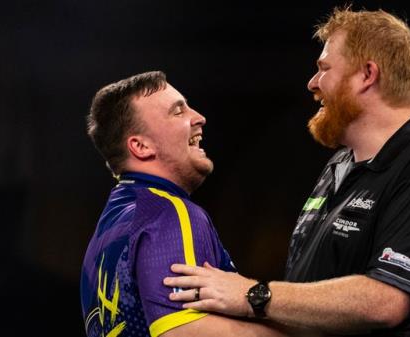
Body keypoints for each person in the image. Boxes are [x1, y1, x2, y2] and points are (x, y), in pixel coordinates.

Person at [163, 7, 410, 337]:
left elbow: (385, 302)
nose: (313, 83)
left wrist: (250, 295)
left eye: (324, 68)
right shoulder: (339, 165)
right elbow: (310, 309)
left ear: (367, 75)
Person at [80, 71, 300, 337]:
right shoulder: (166, 211)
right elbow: (183, 331)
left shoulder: (105, 233)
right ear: (141, 146)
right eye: (177, 112)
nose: (199, 118)